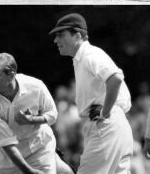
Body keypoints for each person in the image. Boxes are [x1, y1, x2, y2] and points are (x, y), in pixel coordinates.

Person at [50, 13, 134, 174]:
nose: (56, 40)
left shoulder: (89, 53)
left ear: (78, 35)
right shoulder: (82, 57)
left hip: (105, 127)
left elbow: (115, 78)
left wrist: (105, 111)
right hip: (115, 127)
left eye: (61, 35)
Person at [0, 53, 74, 174]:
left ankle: (58, 163)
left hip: (40, 148)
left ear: (11, 75)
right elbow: (7, 143)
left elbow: (52, 114)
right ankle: (59, 164)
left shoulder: (35, 86)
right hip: (9, 159)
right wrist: (29, 171)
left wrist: (32, 120)